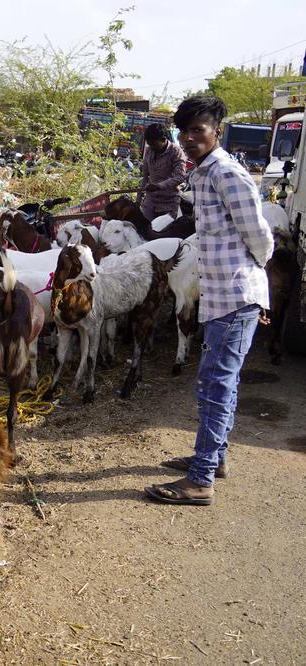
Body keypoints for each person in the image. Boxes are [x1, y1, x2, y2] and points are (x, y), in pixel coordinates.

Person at [145, 95, 273, 507]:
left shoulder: (227, 174)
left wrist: (250, 275)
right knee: (220, 382)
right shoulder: (202, 173)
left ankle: (200, 479)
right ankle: (214, 459)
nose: (190, 137)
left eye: (198, 129)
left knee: (215, 384)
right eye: (184, 131)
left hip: (235, 295)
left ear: (217, 130)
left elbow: (259, 234)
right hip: (218, 296)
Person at [137, 123, 187, 221]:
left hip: (169, 202)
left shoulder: (176, 151)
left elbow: (180, 176)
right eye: (149, 144)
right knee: (144, 228)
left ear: (164, 139)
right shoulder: (149, 150)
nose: (152, 147)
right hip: (151, 200)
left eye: (154, 144)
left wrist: (159, 186)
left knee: (162, 232)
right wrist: (138, 200)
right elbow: (145, 177)